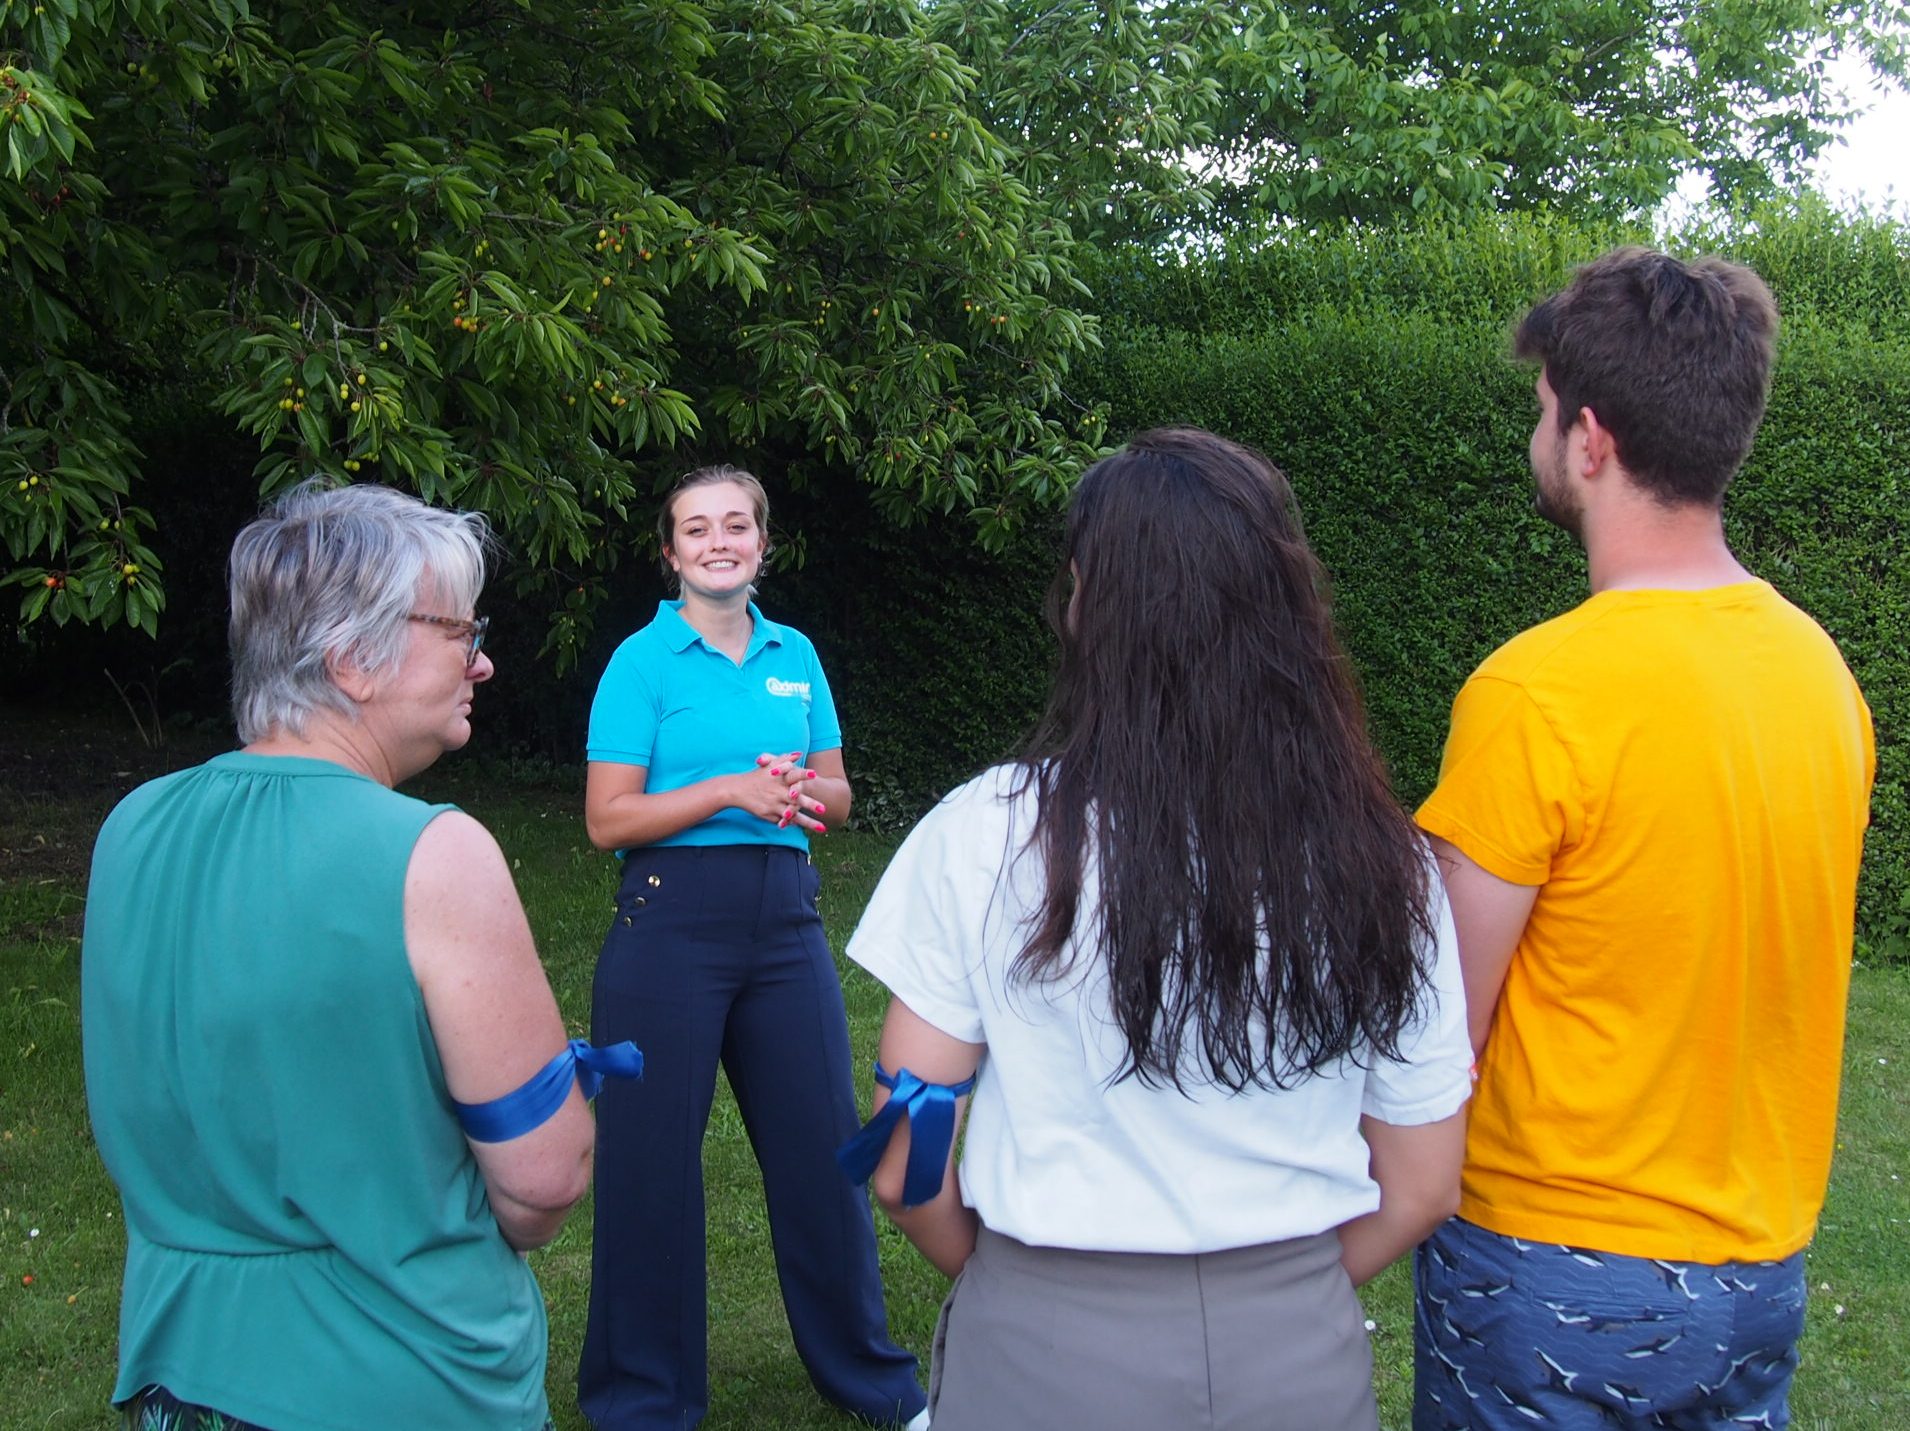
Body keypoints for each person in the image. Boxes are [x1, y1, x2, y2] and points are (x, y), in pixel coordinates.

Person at [838, 427, 1474, 1431]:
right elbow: (1424, 1185)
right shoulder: (1385, 861)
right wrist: (1270, 1302)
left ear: (1091, 607)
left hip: (1042, 1347)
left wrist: (1021, 1292)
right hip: (1297, 1354)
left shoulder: (984, 833)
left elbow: (905, 1155)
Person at [1412, 248, 1875, 1430]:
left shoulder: (1535, 693)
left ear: (1588, 439)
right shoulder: (1819, 675)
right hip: (1755, 1272)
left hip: (1548, 1266)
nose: (1537, 435)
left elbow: (1437, 1022)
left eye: (1541, 411)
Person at [81, 482, 606, 1431]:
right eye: (462, 630)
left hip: (182, 1374)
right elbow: (543, 1180)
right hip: (398, 1377)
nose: (482, 661)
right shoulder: (435, 853)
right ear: (353, 660)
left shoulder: (131, 829)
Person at [577, 464, 926, 1431]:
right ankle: (643, 1401)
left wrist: (801, 790)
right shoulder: (641, 663)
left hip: (785, 924)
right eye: (698, 528)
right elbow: (608, 818)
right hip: (667, 926)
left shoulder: (795, 653)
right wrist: (731, 789)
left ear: (763, 544)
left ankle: (876, 1381)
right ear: (671, 552)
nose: (718, 541)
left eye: (736, 525)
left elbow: (839, 795)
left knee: (823, 1154)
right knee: (650, 1167)